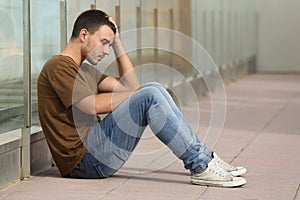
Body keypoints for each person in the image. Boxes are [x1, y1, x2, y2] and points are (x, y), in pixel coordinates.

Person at [37, 9, 247, 187]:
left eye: (109, 45)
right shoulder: (59, 67)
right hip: (84, 162)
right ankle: (200, 164)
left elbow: (129, 86)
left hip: (96, 150)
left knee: (150, 89)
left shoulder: (86, 71)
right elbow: (91, 106)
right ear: (84, 35)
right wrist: (139, 94)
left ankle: (205, 158)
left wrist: (117, 41)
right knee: (150, 93)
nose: (106, 51)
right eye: (103, 42)